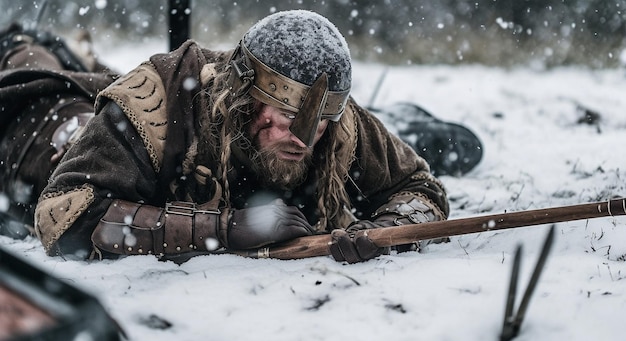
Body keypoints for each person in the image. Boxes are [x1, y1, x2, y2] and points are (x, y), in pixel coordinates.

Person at [2, 10, 455, 263]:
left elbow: (419, 188)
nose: (301, 137)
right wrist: (224, 229)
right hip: (33, 135)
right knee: (31, 70)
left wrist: (386, 230)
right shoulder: (155, 101)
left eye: (316, 121)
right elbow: (65, 213)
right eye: (284, 113)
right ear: (241, 96)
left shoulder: (335, 120)